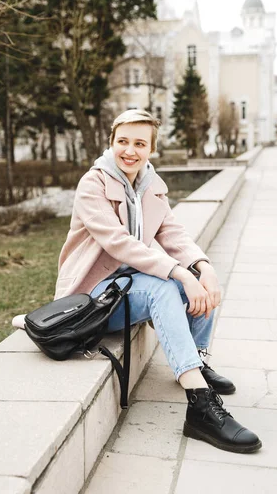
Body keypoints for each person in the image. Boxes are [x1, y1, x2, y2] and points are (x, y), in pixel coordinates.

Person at [49, 109, 261, 453]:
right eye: (123, 141)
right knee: (167, 286)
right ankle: (200, 406)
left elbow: (173, 233)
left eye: (139, 143)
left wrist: (202, 266)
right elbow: (120, 243)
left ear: (151, 149)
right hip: (93, 299)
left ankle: (197, 360)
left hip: (129, 286)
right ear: (111, 142)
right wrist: (178, 272)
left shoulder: (149, 184)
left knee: (195, 278)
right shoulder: (93, 184)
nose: (129, 150)